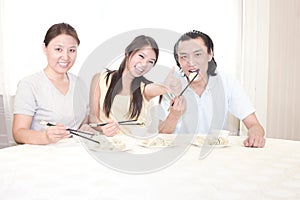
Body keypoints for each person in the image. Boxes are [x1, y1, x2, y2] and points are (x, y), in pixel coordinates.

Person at [158, 30, 265, 148]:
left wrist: (256, 134)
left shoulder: (227, 82)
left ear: (210, 54)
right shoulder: (172, 85)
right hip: (179, 153)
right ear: (178, 60)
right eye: (184, 56)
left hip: (215, 153)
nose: (191, 62)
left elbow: (254, 125)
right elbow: (162, 134)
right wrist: (174, 115)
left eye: (198, 54)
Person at [12, 22, 88, 144]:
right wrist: (45, 137)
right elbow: (18, 133)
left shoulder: (80, 83)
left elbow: (83, 123)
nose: (66, 57)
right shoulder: (29, 84)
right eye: (58, 49)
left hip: (74, 153)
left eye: (72, 50)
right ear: (45, 49)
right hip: (43, 155)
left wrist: (100, 127)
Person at [89, 35, 173, 137]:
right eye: (141, 56)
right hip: (107, 146)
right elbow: (93, 117)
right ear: (128, 53)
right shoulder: (100, 79)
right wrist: (102, 128)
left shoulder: (145, 87)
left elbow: (154, 89)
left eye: (150, 62)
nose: (144, 64)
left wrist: (166, 88)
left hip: (135, 146)